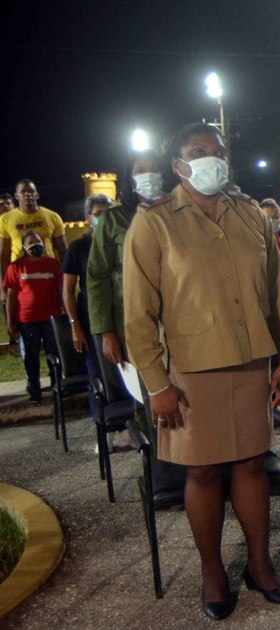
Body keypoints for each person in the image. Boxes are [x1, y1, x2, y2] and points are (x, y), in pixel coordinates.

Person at [123, 123, 280, 620]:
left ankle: (260, 565)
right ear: (177, 165)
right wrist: (155, 383)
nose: (210, 159)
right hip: (189, 372)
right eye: (197, 152)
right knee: (202, 471)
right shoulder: (154, 222)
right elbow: (137, 314)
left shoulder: (248, 214)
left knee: (250, 464)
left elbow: (279, 293)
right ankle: (212, 572)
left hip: (250, 360)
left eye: (217, 152)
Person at [88, 149, 187, 503]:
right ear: (130, 181)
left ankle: (198, 472)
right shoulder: (115, 221)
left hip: (181, 325)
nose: (148, 175)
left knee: (188, 398)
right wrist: (106, 331)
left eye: (154, 169)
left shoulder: (181, 210)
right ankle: (164, 480)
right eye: (139, 171)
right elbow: (97, 277)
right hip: (135, 328)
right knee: (151, 402)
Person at [63, 194, 125, 446]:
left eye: (108, 212)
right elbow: (68, 290)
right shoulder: (79, 247)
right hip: (92, 322)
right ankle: (104, 430)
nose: (103, 218)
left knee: (124, 374)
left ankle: (130, 427)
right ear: (88, 218)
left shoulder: (120, 242)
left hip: (120, 317)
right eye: (98, 213)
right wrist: (75, 325)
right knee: (99, 376)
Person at [4, 231, 61, 402]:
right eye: (30, 242)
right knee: (31, 355)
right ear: (23, 247)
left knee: (54, 352)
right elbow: (11, 296)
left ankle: (57, 384)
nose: (35, 245)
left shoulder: (53, 265)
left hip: (51, 318)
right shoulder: (16, 267)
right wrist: (10, 321)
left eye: (38, 241)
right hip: (27, 319)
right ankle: (34, 388)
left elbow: (61, 291)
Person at [0, 179, 68, 285]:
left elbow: (63, 251)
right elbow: (4, 255)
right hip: (20, 275)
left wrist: (66, 282)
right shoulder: (6, 219)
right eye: (23, 191)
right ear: (16, 196)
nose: (27, 194)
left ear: (37, 195)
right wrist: (4, 287)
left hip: (48, 273)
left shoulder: (53, 217)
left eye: (31, 191)